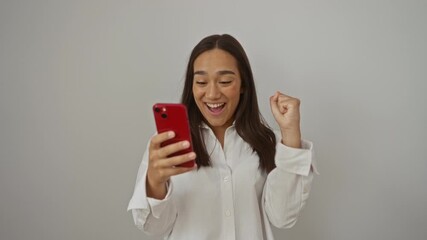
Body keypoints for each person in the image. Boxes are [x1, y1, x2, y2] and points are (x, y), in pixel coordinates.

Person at [127, 34, 318, 240]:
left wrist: (290, 135)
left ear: (243, 84)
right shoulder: (166, 144)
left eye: (225, 81)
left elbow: (283, 217)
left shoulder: (267, 142)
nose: (212, 94)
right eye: (201, 81)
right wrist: (155, 183)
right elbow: (153, 226)